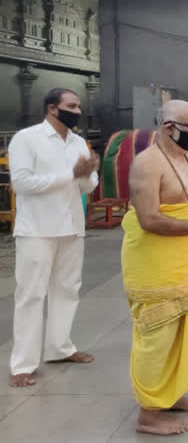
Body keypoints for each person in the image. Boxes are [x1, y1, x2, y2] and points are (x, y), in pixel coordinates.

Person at [121, 100, 188, 435]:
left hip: (186, 267)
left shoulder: (183, 158)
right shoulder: (148, 163)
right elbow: (149, 218)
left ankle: (172, 393)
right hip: (159, 269)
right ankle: (149, 415)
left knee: (185, 335)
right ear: (169, 127)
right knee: (158, 338)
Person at [8, 88, 99, 388]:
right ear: (52, 109)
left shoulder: (77, 143)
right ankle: (22, 364)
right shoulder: (27, 138)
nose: (78, 110)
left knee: (67, 290)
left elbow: (87, 186)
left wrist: (87, 174)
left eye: (79, 106)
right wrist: (71, 174)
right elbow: (21, 183)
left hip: (71, 226)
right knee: (31, 296)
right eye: (71, 105)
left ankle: (60, 348)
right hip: (37, 229)